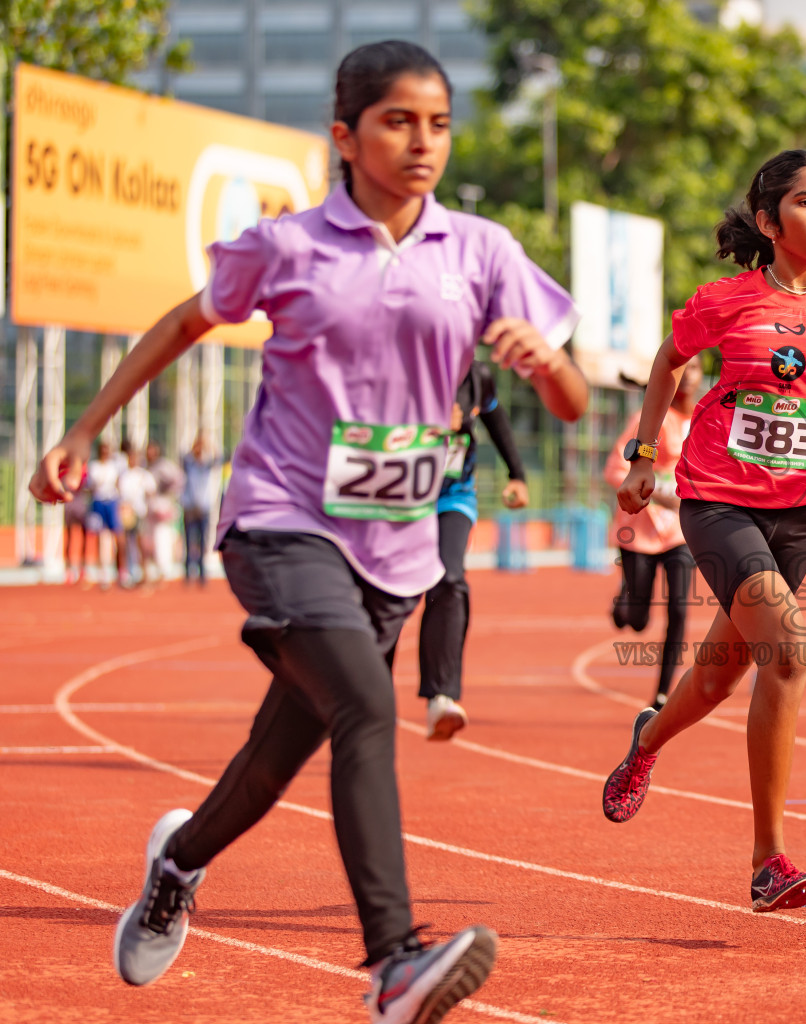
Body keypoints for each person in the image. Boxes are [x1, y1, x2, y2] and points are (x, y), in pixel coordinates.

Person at [30, 40, 587, 1023]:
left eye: (440, 124)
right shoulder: (288, 249)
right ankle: (394, 963)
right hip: (281, 520)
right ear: (345, 134)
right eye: (398, 121)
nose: (423, 143)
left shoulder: (482, 252)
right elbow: (180, 324)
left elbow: (574, 402)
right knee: (368, 709)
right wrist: (83, 428)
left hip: (397, 549)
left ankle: (179, 862)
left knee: (275, 757)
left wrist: (545, 363)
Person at [602, 149, 806, 913]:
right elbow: (670, 360)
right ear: (771, 222)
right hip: (717, 500)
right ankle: (767, 860)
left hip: (803, 514)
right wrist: (644, 456)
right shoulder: (728, 299)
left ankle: (647, 740)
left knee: (717, 677)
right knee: (789, 649)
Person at [418, 360, 538, 741]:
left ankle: (442, 697)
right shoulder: (404, 363)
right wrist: (427, 428)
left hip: (452, 497)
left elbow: (496, 419)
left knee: (450, 579)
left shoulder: (477, 376)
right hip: (398, 499)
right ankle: (361, 700)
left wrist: (517, 474)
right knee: (386, 600)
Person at [604, 357, 702, 711]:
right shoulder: (648, 421)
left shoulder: (703, 419)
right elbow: (615, 470)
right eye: (682, 368)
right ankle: (623, 604)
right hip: (639, 530)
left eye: (694, 368)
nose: (688, 376)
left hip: (679, 532)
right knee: (637, 619)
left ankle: (662, 695)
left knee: (679, 608)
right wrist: (660, 495)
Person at [86, 441, 129, 589]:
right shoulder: (94, 467)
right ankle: (103, 573)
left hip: (112, 502)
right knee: (102, 538)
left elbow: (120, 484)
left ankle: (122, 572)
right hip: (98, 503)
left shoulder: (115, 467)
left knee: (119, 537)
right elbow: (90, 487)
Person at [117, 446, 159, 587]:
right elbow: (119, 493)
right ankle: (126, 575)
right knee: (125, 544)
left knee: (142, 544)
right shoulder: (124, 475)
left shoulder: (144, 475)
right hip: (126, 513)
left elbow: (151, 492)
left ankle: (145, 574)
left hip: (140, 513)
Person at [146, 441, 185, 583]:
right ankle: (155, 568)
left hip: (163, 505)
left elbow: (178, 479)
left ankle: (164, 570)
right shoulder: (148, 466)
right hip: (152, 507)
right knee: (151, 539)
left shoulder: (164, 465)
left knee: (162, 538)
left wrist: (167, 493)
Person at [181, 434, 217, 586]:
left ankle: (202, 574)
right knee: (189, 540)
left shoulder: (207, 464)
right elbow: (182, 456)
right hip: (189, 507)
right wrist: (194, 446)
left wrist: (209, 445)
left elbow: (219, 457)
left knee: (203, 541)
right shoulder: (189, 464)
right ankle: (188, 572)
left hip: (203, 507)